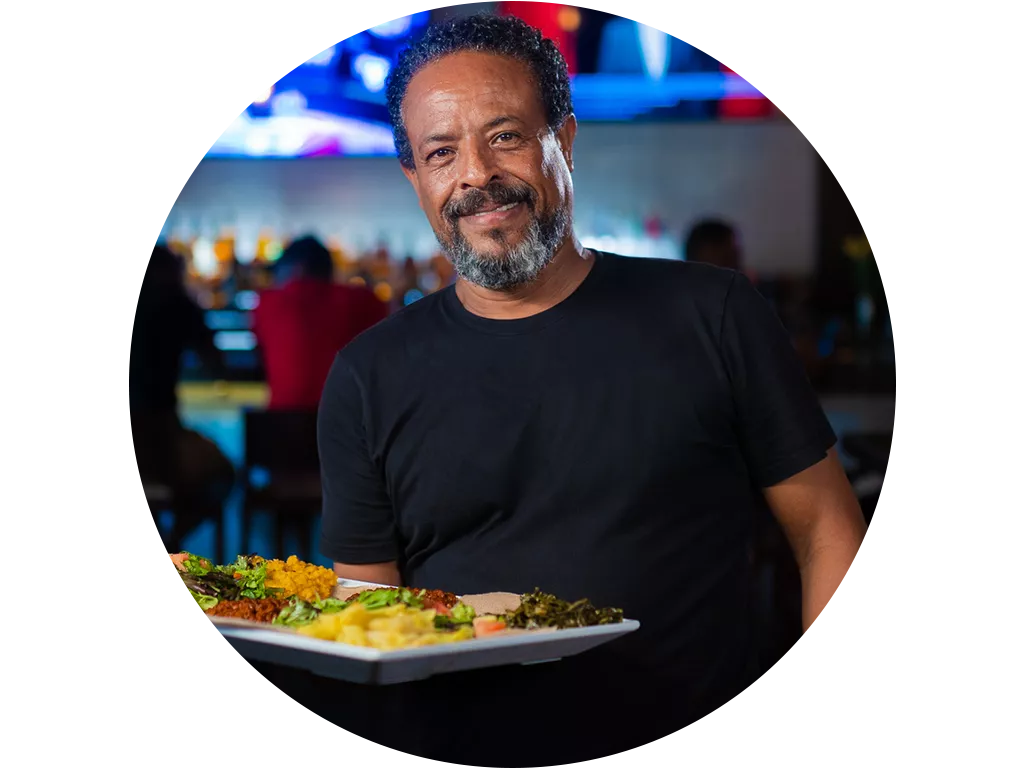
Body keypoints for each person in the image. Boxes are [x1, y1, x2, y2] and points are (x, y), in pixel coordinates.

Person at [313, 14, 867, 761]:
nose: (476, 174)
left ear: (564, 139)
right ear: (416, 178)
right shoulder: (365, 376)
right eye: (441, 152)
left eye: (505, 135)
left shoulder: (715, 314)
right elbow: (370, 618)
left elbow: (829, 533)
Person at [129, 244, 235, 539]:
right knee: (222, 475)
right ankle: (170, 541)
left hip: (149, 433)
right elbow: (215, 362)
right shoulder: (177, 302)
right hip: (157, 434)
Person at [252, 235, 388, 411]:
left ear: (297, 269)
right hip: (349, 425)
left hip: (283, 425)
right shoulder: (364, 301)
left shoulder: (267, 303)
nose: (277, 278)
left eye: (279, 270)